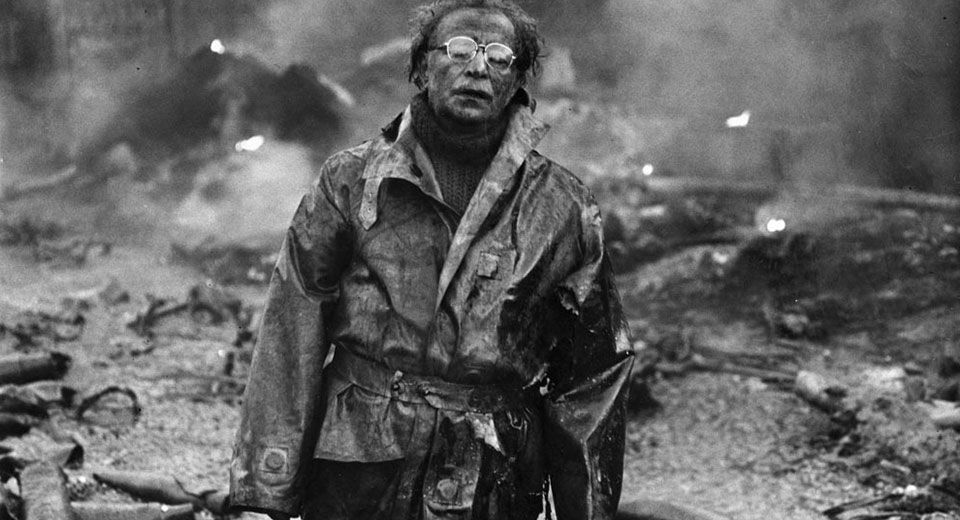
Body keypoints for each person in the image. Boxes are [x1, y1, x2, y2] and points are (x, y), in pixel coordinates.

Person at [228, 1, 634, 518]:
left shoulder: (564, 207)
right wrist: (271, 481)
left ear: (518, 82)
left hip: (492, 478)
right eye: (460, 49)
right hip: (358, 469)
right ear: (421, 67)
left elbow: (592, 377)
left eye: (501, 56)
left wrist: (587, 511)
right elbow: (293, 325)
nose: (478, 66)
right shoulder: (350, 181)